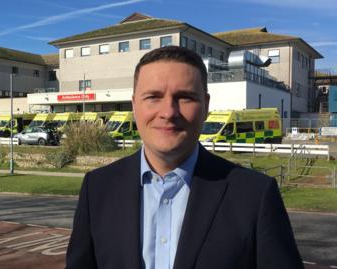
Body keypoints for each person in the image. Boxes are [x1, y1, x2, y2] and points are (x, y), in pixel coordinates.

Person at [66, 46, 303, 269]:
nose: (168, 112)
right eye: (153, 97)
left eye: (185, 97)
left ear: (206, 106)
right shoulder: (97, 188)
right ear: (135, 105)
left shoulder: (255, 195)